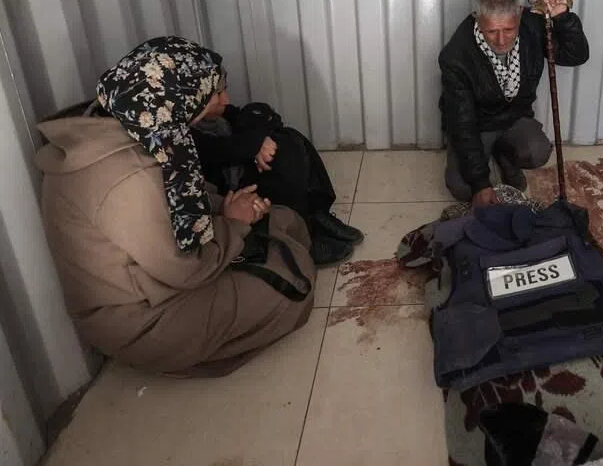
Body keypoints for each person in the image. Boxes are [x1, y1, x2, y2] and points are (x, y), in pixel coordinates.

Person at [34, 37, 315, 377]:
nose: (225, 101)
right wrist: (235, 222)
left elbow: (179, 201)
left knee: (286, 221)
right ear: (178, 97)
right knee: (296, 283)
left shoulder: (137, 125)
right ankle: (193, 356)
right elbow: (186, 268)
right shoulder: (125, 175)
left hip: (160, 282)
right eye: (216, 94)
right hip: (144, 319)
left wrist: (229, 208)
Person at [440, 0, 590, 205]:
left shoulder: (533, 25)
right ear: (477, 18)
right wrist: (481, 184)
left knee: (536, 151)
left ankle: (504, 155)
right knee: (464, 187)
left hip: (514, 117)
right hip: (477, 125)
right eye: (491, 31)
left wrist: (563, 18)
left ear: (520, 14)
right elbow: (462, 122)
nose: (501, 41)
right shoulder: (456, 55)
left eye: (509, 30)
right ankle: (487, 153)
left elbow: (575, 56)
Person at [191, 96, 364, 266]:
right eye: (217, 93)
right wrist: (254, 144)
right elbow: (215, 150)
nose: (225, 100)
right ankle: (304, 239)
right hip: (223, 196)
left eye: (224, 90)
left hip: (238, 177)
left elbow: (265, 115)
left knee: (287, 138)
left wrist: (258, 140)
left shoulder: (218, 116)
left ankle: (316, 215)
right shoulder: (177, 133)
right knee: (279, 153)